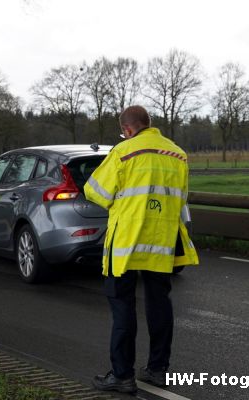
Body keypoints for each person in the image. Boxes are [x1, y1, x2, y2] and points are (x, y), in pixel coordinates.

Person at [85, 105, 199, 394]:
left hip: (127, 243)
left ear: (127, 129)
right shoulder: (178, 155)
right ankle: (158, 369)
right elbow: (181, 197)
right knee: (159, 303)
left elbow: (96, 191)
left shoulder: (124, 151)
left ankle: (122, 375)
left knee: (122, 304)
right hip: (161, 242)